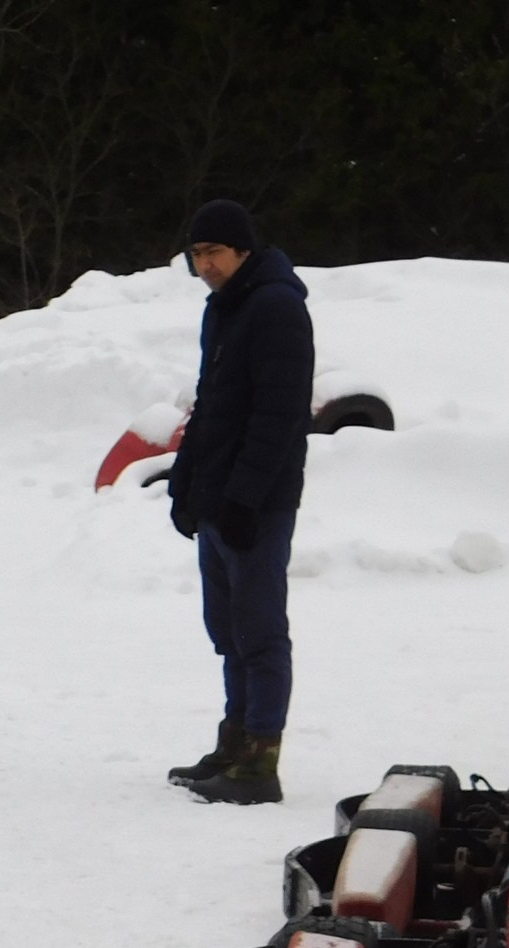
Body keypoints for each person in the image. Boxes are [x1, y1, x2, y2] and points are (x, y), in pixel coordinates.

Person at [165, 198, 314, 806]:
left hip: (257, 502)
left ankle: (260, 762)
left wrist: (246, 499)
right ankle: (234, 742)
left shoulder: (278, 309)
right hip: (218, 499)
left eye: (214, 253)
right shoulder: (222, 310)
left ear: (243, 250)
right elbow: (212, 405)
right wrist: (185, 482)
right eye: (195, 255)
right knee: (226, 630)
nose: (204, 266)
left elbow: (277, 417)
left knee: (258, 632)